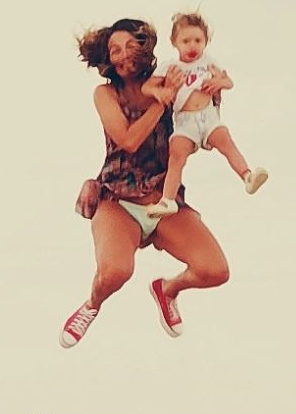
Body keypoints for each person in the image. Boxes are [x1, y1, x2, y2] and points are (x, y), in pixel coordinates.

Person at [59, 19, 231, 348]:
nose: (122, 56)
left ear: (144, 49)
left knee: (215, 270)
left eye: (129, 47)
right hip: (117, 200)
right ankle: (92, 304)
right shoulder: (106, 93)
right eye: (114, 50)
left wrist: (214, 87)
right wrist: (159, 104)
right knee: (115, 273)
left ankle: (166, 290)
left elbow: (201, 122)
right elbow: (127, 140)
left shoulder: (170, 81)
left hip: (163, 201)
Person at [142, 11, 267, 216]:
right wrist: (160, 91)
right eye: (186, 41)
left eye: (198, 40)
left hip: (208, 117)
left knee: (226, 141)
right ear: (174, 42)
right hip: (185, 121)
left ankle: (247, 176)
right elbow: (147, 87)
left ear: (206, 41)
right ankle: (168, 200)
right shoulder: (170, 66)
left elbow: (229, 82)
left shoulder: (208, 62)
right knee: (176, 154)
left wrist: (219, 82)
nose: (192, 46)